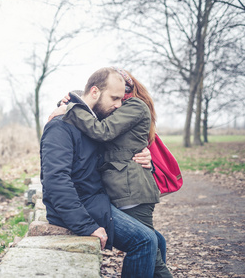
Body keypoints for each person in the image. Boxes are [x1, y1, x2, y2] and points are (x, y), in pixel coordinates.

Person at [48, 67, 172, 277]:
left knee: (152, 241)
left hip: (116, 194)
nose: (118, 104)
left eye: (121, 98)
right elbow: (57, 181)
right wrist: (70, 104)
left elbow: (103, 131)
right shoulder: (64, 126)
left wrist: (72, 106)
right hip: (92, 201)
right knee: (151, 240)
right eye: (115, 97)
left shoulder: (110, 116)